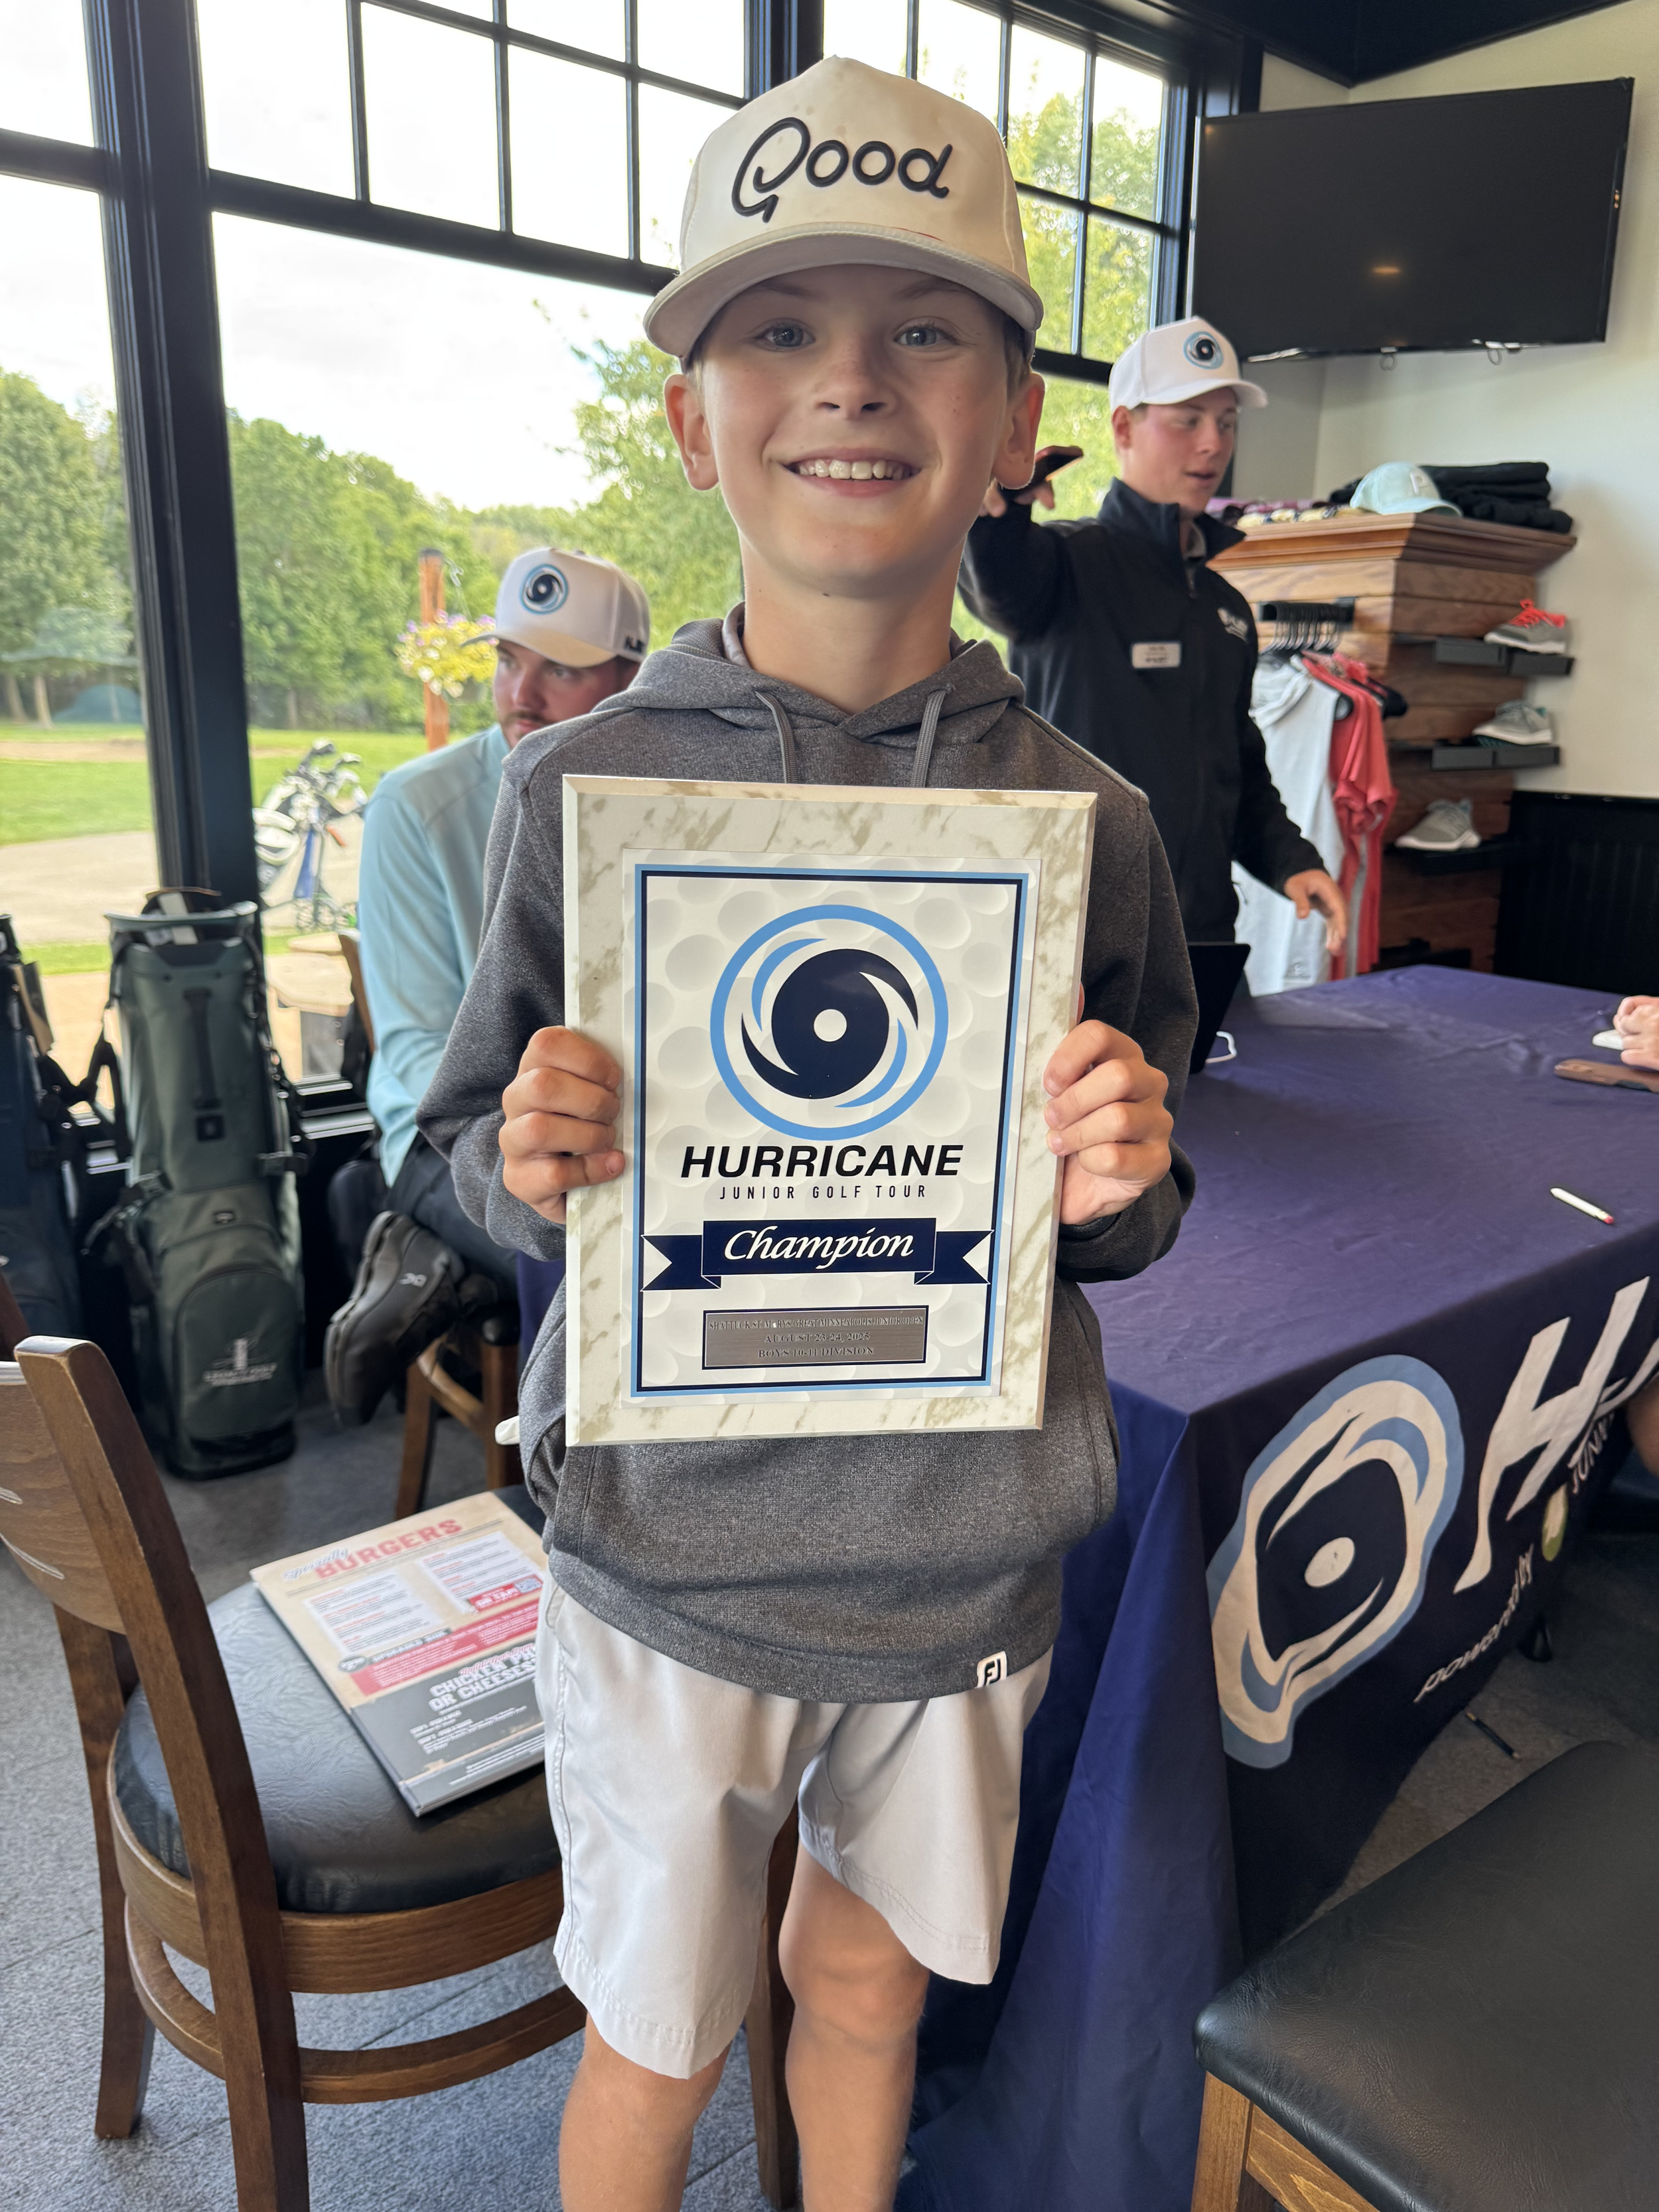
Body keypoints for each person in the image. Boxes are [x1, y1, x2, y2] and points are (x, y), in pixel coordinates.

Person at [419, 58, 1196, 2212]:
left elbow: (1123, 1218)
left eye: (923, 325)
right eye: (780, 326)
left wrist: (1122, 1177)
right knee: (653, 2047)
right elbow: (456, 1135)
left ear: (1015, 419)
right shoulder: (586, 794)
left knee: (864, 1998)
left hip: (959, 1569)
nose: (851, 380)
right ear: (694, 416)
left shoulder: (1095, 828)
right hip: (673, 1565)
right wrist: (527, 1157)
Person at [325, 546, 648, 1422]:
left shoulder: (666, 800)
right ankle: (581, 1509)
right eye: (507, 660)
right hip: (450, 1141)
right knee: (621, 1265)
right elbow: (428, 1060)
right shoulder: (414, 806)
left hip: (610, 1130)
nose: (518, 695)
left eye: (561, 669)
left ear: (633, 677)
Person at [960, 316, 1349, 954]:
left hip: (1204, 940)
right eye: (1188, 419)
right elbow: (1002, 592)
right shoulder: (1063, 565)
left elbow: (1239, 763)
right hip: (1078, 942)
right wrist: (1001, 515)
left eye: (1226, 422)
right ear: (1123, 428)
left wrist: (1291, 860)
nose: (1213, 444)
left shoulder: (1225, 607)